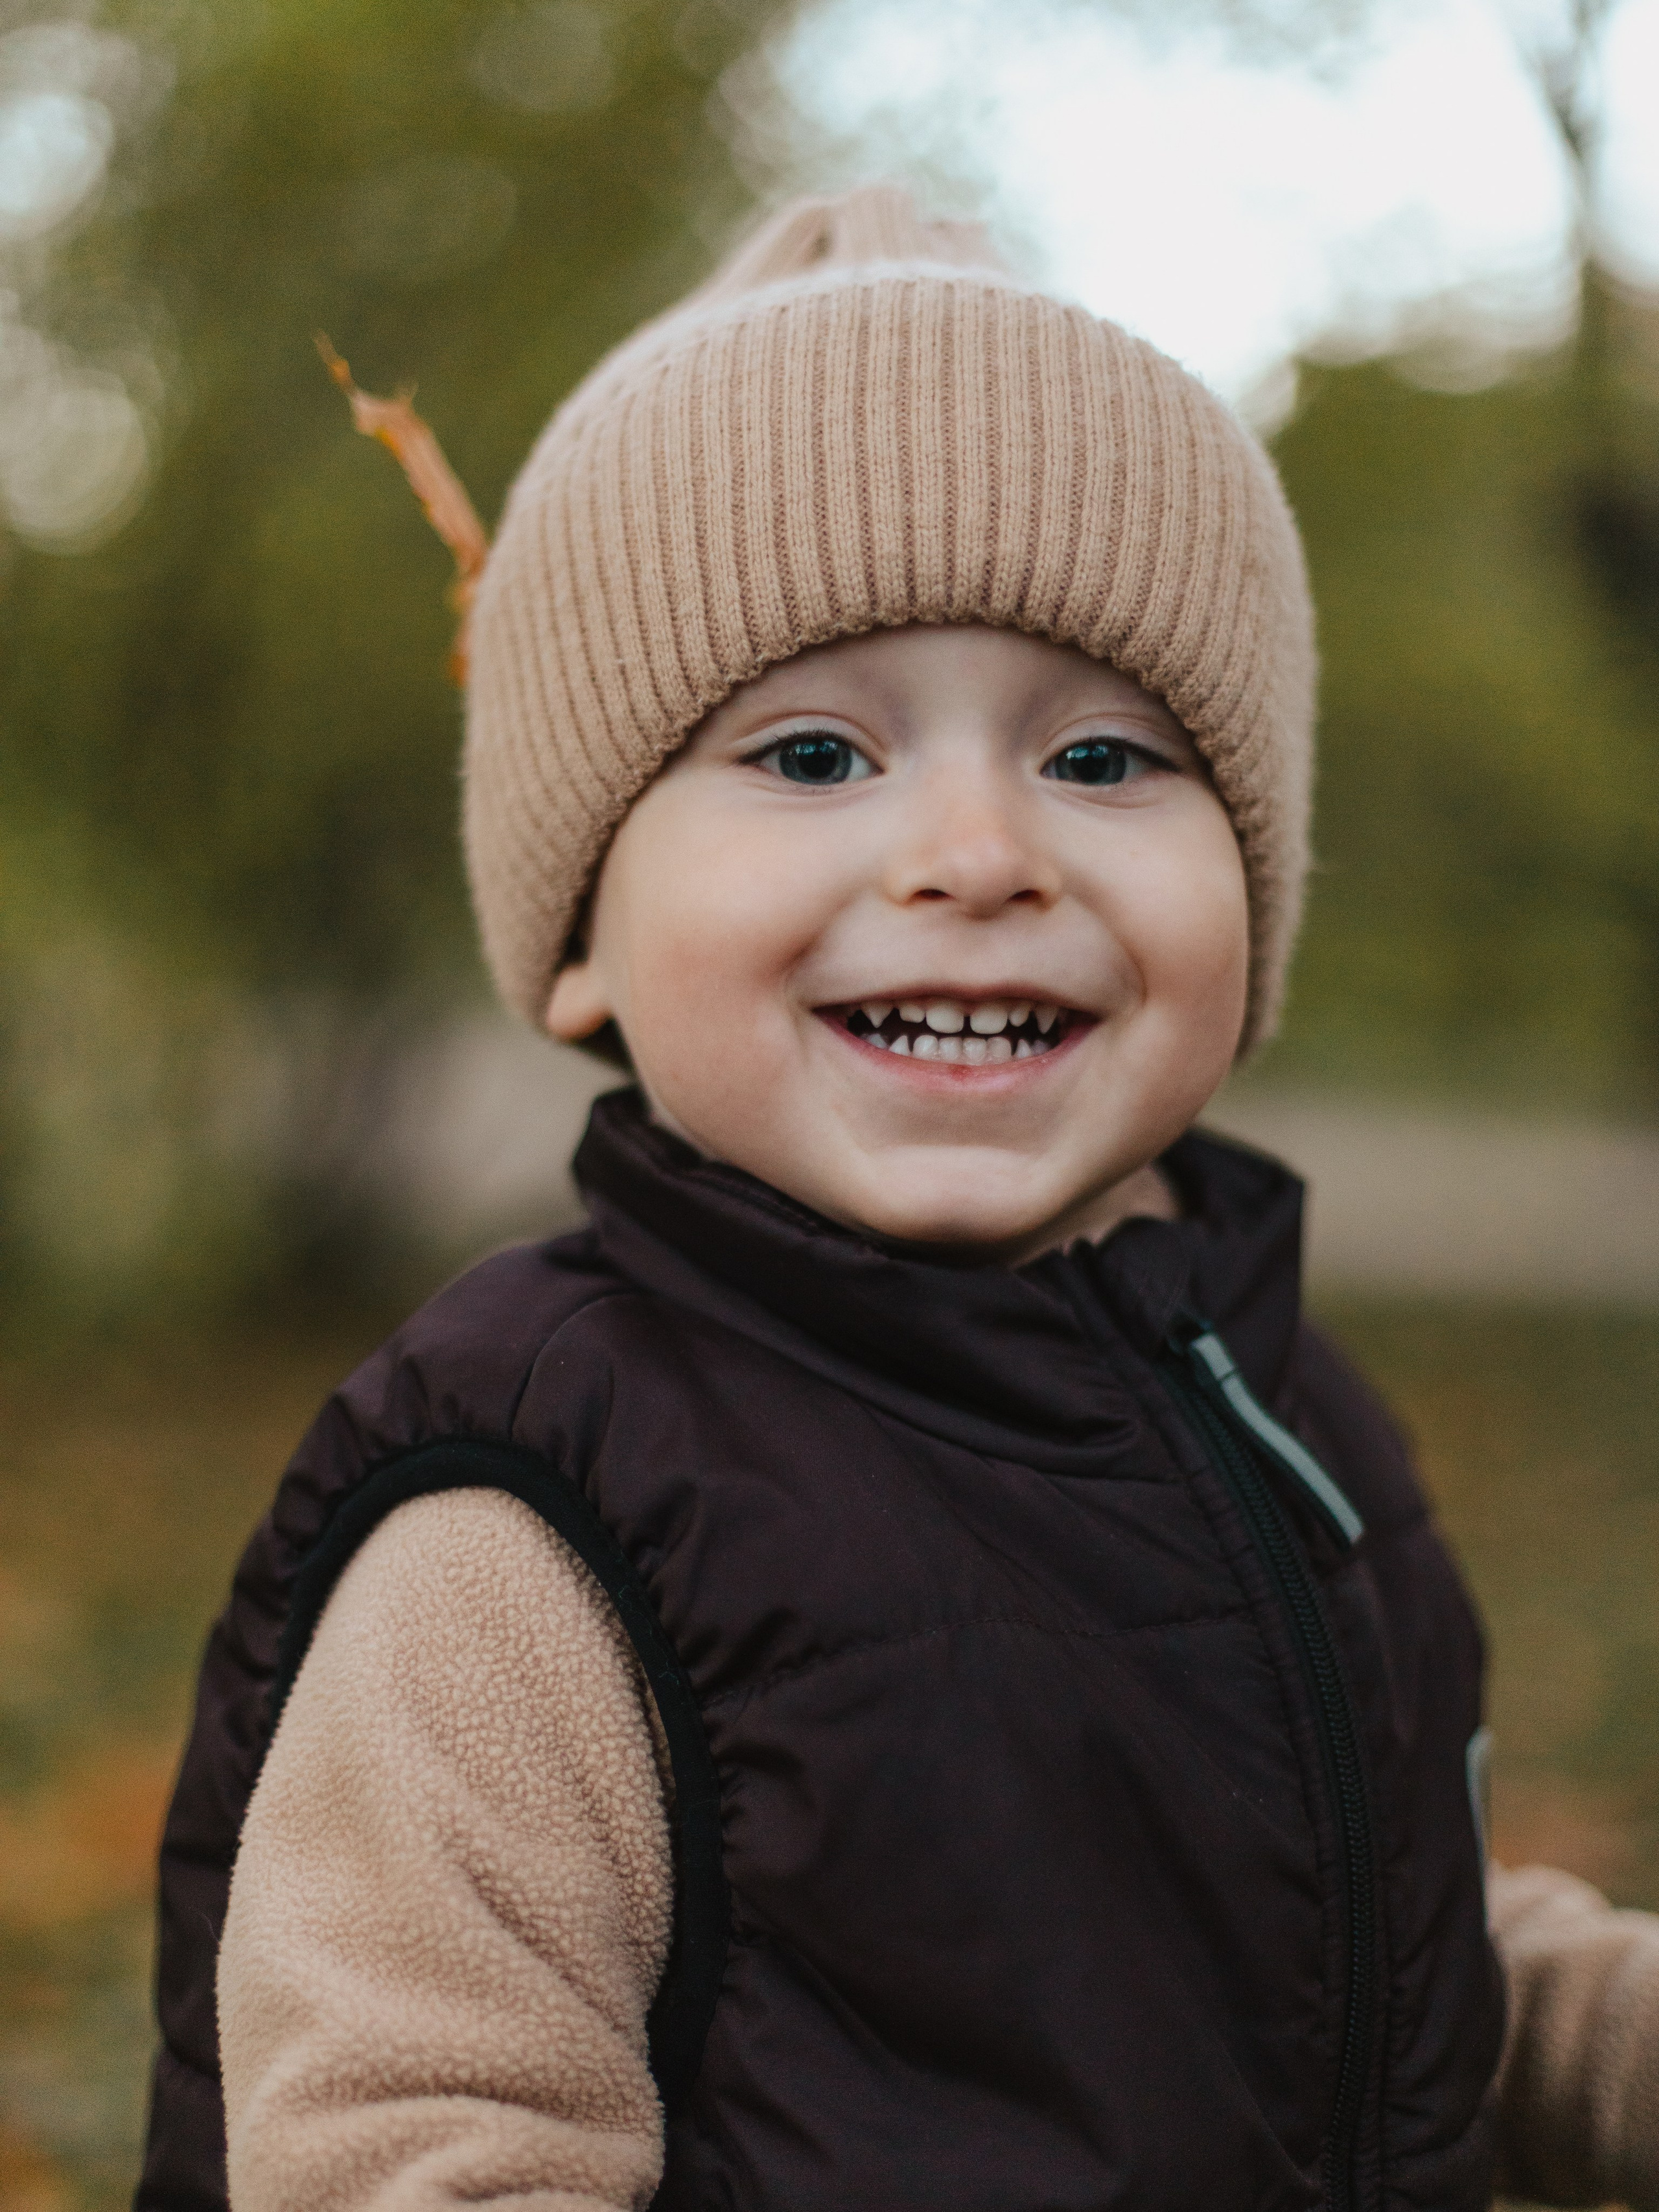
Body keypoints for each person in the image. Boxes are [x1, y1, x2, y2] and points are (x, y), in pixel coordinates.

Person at [136, 185, 1659, 2212]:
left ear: (1255, 912)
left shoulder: (1284, 1430)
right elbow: (415, 2151)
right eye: (817, 749)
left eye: (1108, 759)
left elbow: (1386, 1959)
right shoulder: (531, 1535)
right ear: (584, 931)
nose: (974, 849)